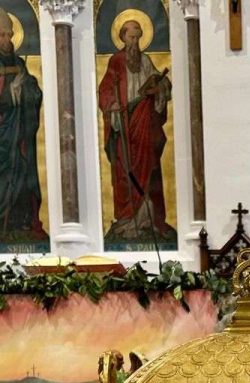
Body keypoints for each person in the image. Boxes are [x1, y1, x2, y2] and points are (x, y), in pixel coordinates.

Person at [97, 15, 174, 246]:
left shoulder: (146, 61)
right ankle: (127, 220)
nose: (135, 42)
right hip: (124, 123)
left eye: (138, 38)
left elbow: (162, 84)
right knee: (125, 171)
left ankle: (149, 220)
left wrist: (158, 89)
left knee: (149, 168)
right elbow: (105, 90)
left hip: (144, 124)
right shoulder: (116, 61)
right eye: (131, 37)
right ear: (123, 38)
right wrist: (112, 105)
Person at [0, 6, 47, 249]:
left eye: (9, 34)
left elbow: (34, 93)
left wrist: (28, 87)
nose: (7, 39)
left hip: (22, 134)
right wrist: (10, 91)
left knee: (24, 178)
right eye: (2, 35)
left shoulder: (19, 63)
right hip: (3, 135)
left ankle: (23, 223)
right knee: (5, 179)